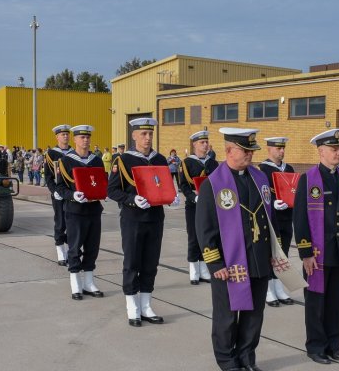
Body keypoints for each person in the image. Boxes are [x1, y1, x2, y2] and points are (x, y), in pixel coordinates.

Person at [196, 128, 287, 371]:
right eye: (245, 151)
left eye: (251, 151)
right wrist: (216, 265)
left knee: (254, 314)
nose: (249, 155)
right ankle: (226, 358)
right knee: (227, 315)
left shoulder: (260, 178)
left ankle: (247, 355)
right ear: (228, 151)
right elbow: (205, 230)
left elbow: (272, 220)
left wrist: (276, 252)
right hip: (229, 262)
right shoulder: (213, 184)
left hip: (257, 258)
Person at [293, 129, 339, 364]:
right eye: (334, 149)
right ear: (321, 152)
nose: (338, 152)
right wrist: (305, 253)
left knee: (334, 303)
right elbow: (299, 219)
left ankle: (333, 345)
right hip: (318, 254)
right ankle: (315, 347)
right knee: (315, 303)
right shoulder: (308, 179)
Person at [107, 117, 179, 326]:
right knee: (132, 262)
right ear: (134, 135)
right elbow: (111, 190)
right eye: (143, 134)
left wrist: (172, 197)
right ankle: (132, 307)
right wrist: (131, 200)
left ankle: (146, 305)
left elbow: (163, 186)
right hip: (133, 219)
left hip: (155, 218)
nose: (147, 138)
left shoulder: (160, 159)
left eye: (150, 134)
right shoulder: (123, 160)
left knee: (150, 262)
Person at [53, 125, 105, 301]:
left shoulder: (96, 160)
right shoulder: (66, 161)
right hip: (75, 211)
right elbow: (59, 187)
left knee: (92, 248)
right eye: (82, 137)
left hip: (94, 210)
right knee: (74, 248)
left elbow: (100, 182)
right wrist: (73, 195)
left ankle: (89, 282)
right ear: (74, 140)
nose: (85, 140)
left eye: (88, 137)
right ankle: (75, 283)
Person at [258, 137, 296, 306]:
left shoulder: (288, 168)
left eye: (283, 148)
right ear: (269, 149)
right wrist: (272, 202)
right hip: (271, 217)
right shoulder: (262, 169)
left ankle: (279, 287)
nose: (281, 151)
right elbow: (261, 193)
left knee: (283, 254)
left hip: (287, 216)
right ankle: (268, 290)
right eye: (278, 148)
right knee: (270, 254)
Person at [179, 131, 218, 285]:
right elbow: (183, 184)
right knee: (194, 237)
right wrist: (193, 197)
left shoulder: (213, 162)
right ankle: (194, 271)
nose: (205, 145)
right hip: (193, 206)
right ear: (194, 144)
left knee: (207, 236)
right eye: (202, 142)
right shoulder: (187, 162)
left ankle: (204, 270)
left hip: (209, 205)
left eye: (207, 142)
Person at [44, 126, 75, 266]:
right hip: (58, 193)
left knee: (72, 223)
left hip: (72, 193)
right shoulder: (51, 154)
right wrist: (54, 190)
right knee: (60, 222)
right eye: (62, 135)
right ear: (57, 137)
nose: (65, 137)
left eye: (67, 134)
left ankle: (70, 251)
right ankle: (60, 252)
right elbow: (49, 176)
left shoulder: (74, 153)